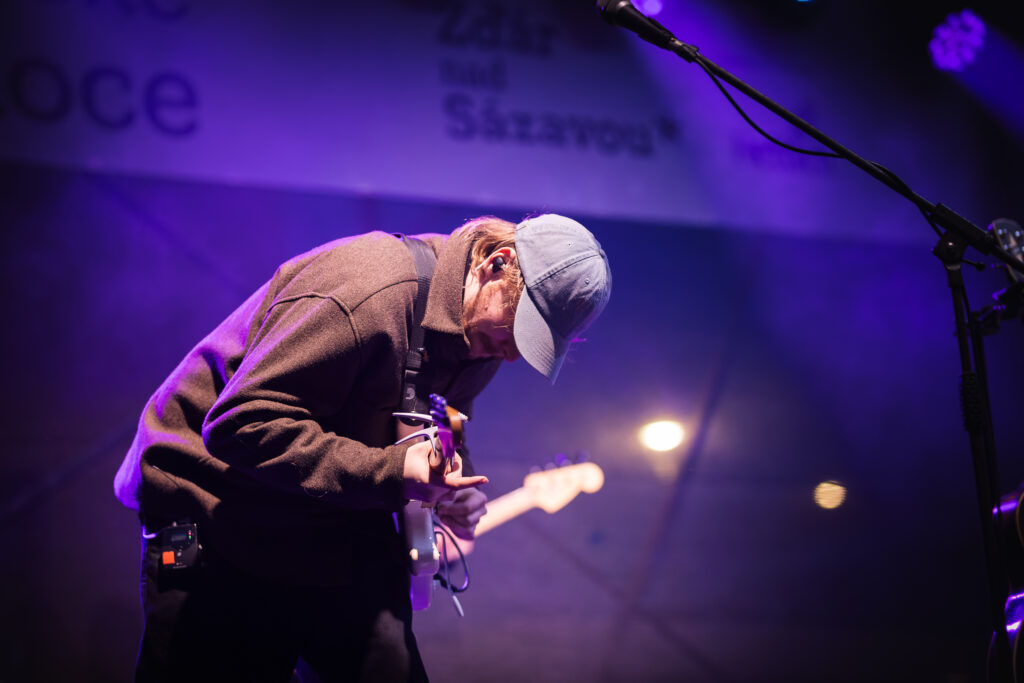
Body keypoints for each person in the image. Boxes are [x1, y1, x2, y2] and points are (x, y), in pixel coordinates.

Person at [112, 213, 612, 682]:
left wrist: (450, 486)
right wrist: (393, 473)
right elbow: (239, 423)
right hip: (221, 512)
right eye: (518, 328)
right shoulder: (368, 289)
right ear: (495, 265)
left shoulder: (482, 333)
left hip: (333, 516)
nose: (513, 353)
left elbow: (439, 423)